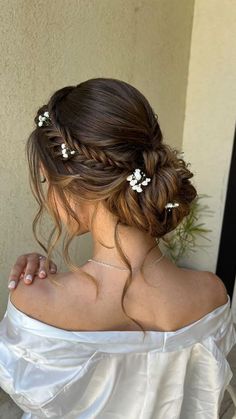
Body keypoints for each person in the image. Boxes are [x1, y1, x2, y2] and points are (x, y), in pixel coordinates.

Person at [1, 77, 236, 419]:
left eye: (44, 180)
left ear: (73, 182)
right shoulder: (212, 294)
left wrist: (45, 285)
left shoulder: (36, 301)